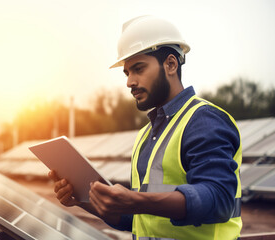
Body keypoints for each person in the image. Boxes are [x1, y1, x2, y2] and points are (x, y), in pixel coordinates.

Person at [49, 15, 242, 240]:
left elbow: (220, 199)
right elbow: (138, 218)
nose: (129, 82)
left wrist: (135, 200)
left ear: (171, 64)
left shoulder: (204, 120)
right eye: (127, 72)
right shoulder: (146, 136)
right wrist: (84, 200)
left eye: (138, 69)